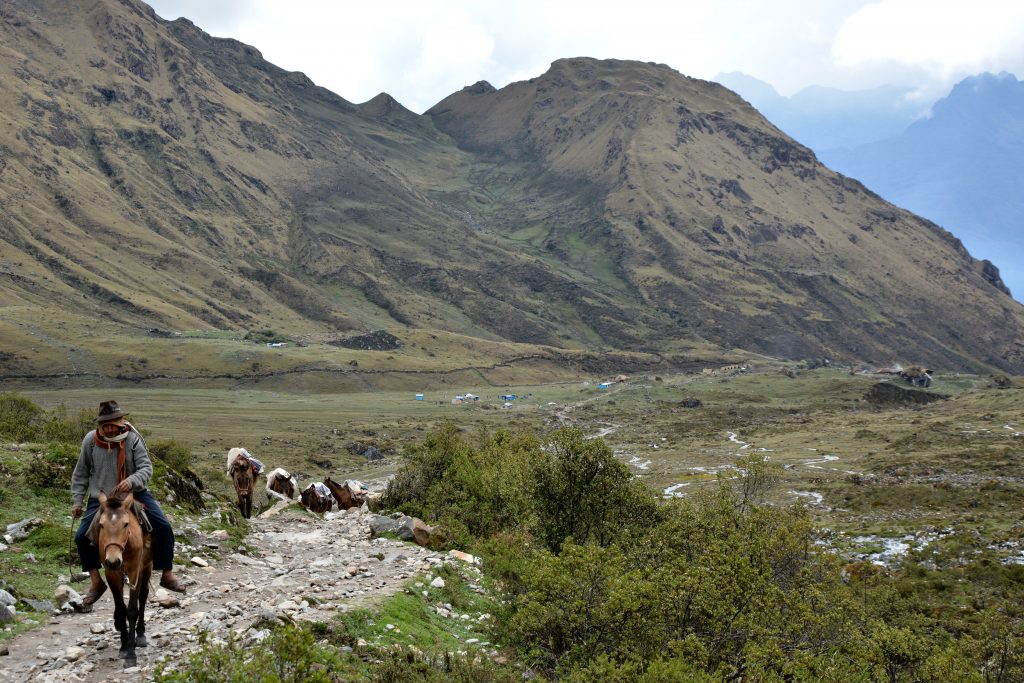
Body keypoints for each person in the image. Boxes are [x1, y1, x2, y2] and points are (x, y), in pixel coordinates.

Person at [71, 400, 187, 605]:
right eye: (104, 424)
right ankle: (96, 582)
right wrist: (77, 501)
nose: (108, 428)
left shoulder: (132, 440)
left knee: (163, 527)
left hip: (134, 495)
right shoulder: (90, 441)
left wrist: (131, 481)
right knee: (81, 537)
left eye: (111, 424)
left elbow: (146, 468)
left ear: (120, 422)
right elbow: (80, 473)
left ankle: (167, 574)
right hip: (103, 499)